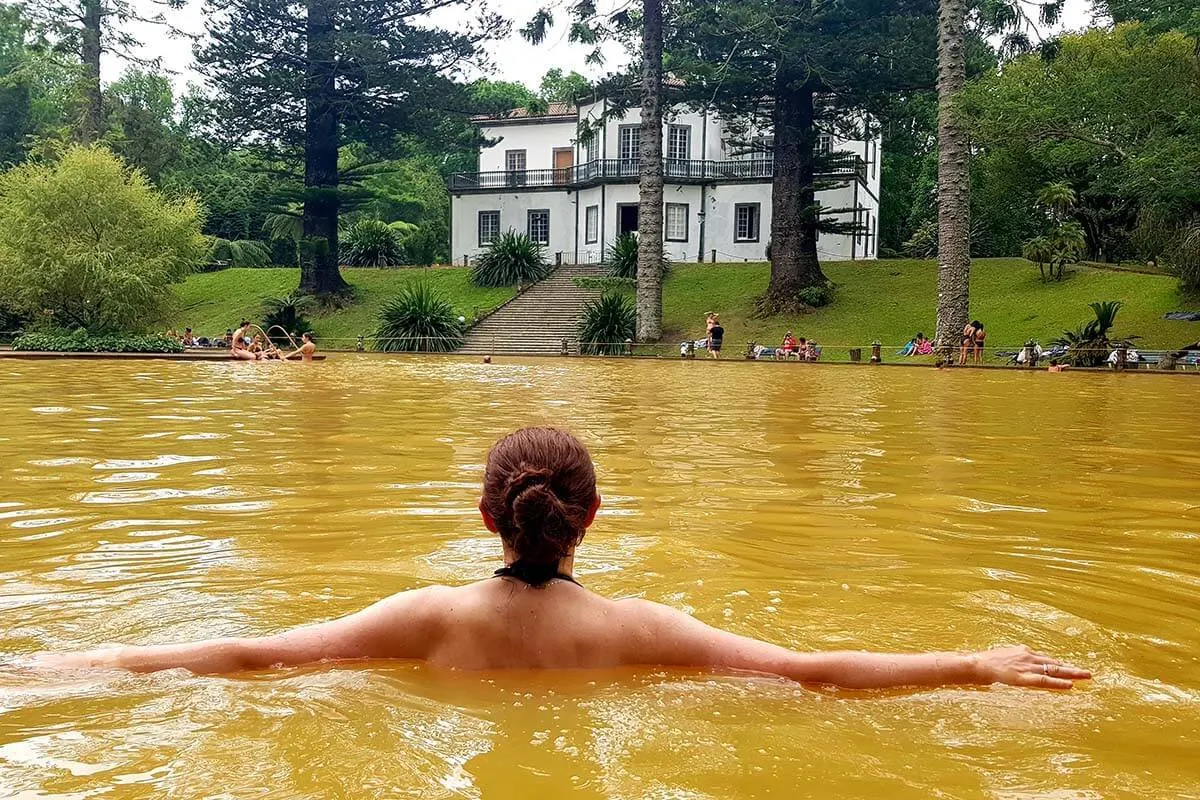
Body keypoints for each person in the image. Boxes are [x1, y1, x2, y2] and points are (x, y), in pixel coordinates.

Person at [33, 427, 1091, 691]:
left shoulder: (429, 615)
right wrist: (971, 662)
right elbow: (809, 670)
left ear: (486, 511)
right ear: (592, 515)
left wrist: (61, 666)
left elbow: (250, 654)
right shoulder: (634, 629)